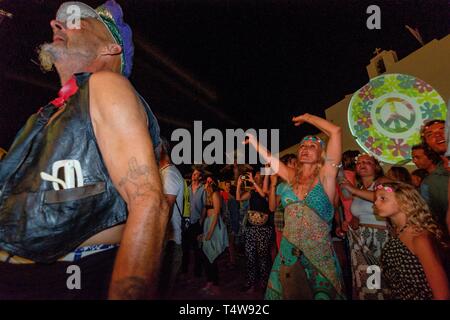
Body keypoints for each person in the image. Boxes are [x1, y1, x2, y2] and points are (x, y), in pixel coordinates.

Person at [0, 1, 169, 299]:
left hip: (64, 277)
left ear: (111, 48)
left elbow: (148, 202)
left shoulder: (105, 85)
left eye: (78, 21)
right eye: (59, 20)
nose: (56, 24)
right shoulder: (42, 115)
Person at [246, 113, 345, 300]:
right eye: (302, 146)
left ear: (321, 153)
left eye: (312, 146)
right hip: (288, 254)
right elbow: (270, 158)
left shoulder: (326, 176)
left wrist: (307, 118)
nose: (305, 149)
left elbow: (336, 131)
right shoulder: (291, 177)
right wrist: (254, 141)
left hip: (319, 257)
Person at [376, 182, 449, 300]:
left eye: (382, 198)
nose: (375, 202)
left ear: (404, 202)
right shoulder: (397, 231)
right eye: (376, 198)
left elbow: (442, 294)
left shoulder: (419, 239)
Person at [340, 154, 391, 300]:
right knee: (367, 283)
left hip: (381, 239)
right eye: (359, 162)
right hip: (361, 241)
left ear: (376, 166)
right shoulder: (360, 188)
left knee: (382, 282)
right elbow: (357, 218)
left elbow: (383, 197)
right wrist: (348, 225)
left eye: (367, 162)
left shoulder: (383, 182)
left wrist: (353, 190)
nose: (362, 164)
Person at [237, 170, 273, 294]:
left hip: (264, 228)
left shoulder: (268, 190)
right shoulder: (252, 192)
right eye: (254, 175)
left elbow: (263, 194)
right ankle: (251, 281)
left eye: (258, 175)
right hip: (251, 227)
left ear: (263, 177)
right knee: (250, 255)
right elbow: (238, 198)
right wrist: (238, 184)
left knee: (263, 256)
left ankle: (264, 283)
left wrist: (254, 181)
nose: (255, 176)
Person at [157, 138, 184, 299]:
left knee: (163, 290)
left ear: (162, 150)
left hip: (170, 242)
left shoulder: (170, 174)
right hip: (167, 241)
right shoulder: (164, 173)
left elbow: (165, 210)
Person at [199, 176, 228, 295]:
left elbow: (216, 214)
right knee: (206, 255)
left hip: (214, 225)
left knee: (212, 256)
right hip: (207, 223)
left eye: (210, 181)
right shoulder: (207, 195)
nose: (207, 183)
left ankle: (215, 285)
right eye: (206, 181)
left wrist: (210, 233)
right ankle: (209, 282)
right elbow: (205, 211)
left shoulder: (216, 194)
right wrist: (201, 225)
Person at [420, 120, 449, 234]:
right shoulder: (429, 184)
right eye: (430, 135)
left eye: (443, 129)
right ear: (428, 146)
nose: (438, 135)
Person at [181, 167, 206, 278]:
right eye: (193, 174)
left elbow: (205, 206)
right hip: (187, 222)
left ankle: (197, 273)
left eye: (196, 174)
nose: (193, 175)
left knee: (197, 249)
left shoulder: (203, 189)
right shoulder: (187, 188)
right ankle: (184, 270)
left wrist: (201, 220)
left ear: (200, 177)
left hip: (197, 222)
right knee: (185, 248)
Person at [220, 180, 240, 268]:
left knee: (231, 243)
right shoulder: (224, 197)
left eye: (229, 185)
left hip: (231, 223)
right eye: (226, 185)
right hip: (227, 223)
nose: (227, 187)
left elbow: (235, 214)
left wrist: (235, 228)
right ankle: (232, 260)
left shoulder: (231, 198)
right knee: (229, 243)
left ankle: (233, 261)